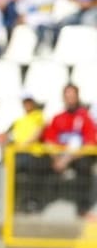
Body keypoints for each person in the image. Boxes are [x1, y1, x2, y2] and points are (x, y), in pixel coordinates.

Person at [0, 92, 45, 215]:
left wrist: (19, 146)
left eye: (29, 101)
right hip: (16, 153)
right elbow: (5, 136)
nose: (27, 104)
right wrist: (4, 145)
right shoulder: (19, 120)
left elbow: (36, 134)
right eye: (25, 102)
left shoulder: (38, 116)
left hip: (31, 154)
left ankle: (14, 204)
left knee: (10, 169)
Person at [41, 84, 97, 217]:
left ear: (77, 97)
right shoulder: (57, 118)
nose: (70, 99)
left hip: (77, 157)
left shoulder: (85, 117)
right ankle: (36, 203)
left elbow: (89, 143)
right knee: (37, 161)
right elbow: (49, 140)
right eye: (67, 96)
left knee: (84, 165)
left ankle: (83, 207)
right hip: (59, 157)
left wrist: (66, 160)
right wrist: (57, 159)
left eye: (73, 96)